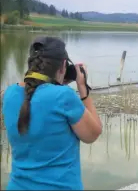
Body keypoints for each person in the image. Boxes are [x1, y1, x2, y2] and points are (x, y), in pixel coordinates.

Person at [1, 37, 103, 190]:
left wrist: (53, 84)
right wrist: (83, 88)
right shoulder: (64, 97)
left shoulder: (9, 95)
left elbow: (36, 96)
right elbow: (92, 134)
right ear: (63, 66)